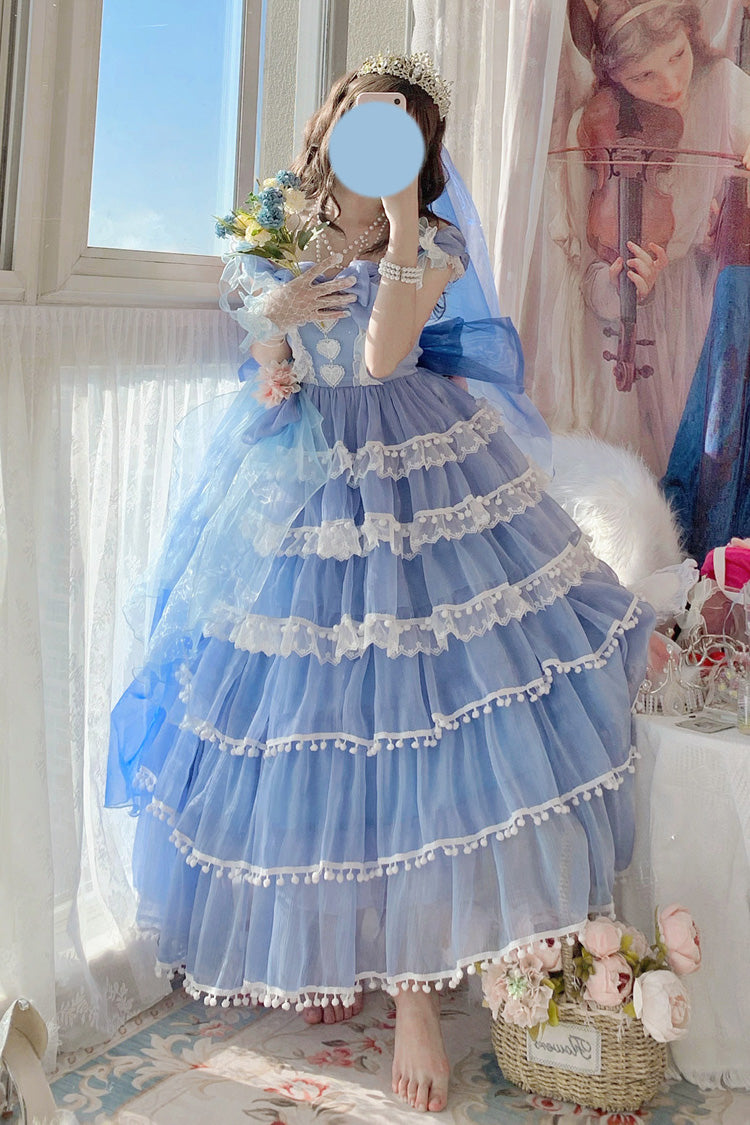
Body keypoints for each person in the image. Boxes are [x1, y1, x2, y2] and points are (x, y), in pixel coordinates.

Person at [105, 52, 655, 1114]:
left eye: (403, 125)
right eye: (368, 114)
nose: (379, 134)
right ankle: (327, 940)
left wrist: (401, 228)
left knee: (417, 718)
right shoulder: (281, 211)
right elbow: (254, 309)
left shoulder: (432, 241)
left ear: (418, 148)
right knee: (307, 723)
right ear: (337, 121)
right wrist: (271, 324)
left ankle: (414, 995)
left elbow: (380, 358)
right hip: (295, 466)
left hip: (410, 463)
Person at [529, 0, 750, 476]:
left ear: (691, 37)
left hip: (718, 306)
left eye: (677, 55)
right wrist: (619, 287)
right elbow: (584, 275)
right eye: (643, 75)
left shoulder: (728, 88)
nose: (670, 84)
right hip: (638, 331)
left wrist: (736, 213)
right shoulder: (594, 128)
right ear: (613, 76)